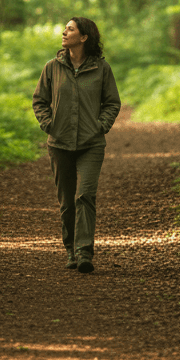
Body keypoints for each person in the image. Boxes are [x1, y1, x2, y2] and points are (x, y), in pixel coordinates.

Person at [32, 17, 121, 274]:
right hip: (59, 144)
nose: (64, 32)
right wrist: (49, 124)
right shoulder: (52, 67)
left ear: (84, 37)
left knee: (85, 196)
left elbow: (112, 103)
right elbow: (39, 100)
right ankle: (70, 249)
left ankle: (84, 252)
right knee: (67, 202)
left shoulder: (102, 69)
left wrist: (101, 125)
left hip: (91, 144)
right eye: (65, 28)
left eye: (70, 29)